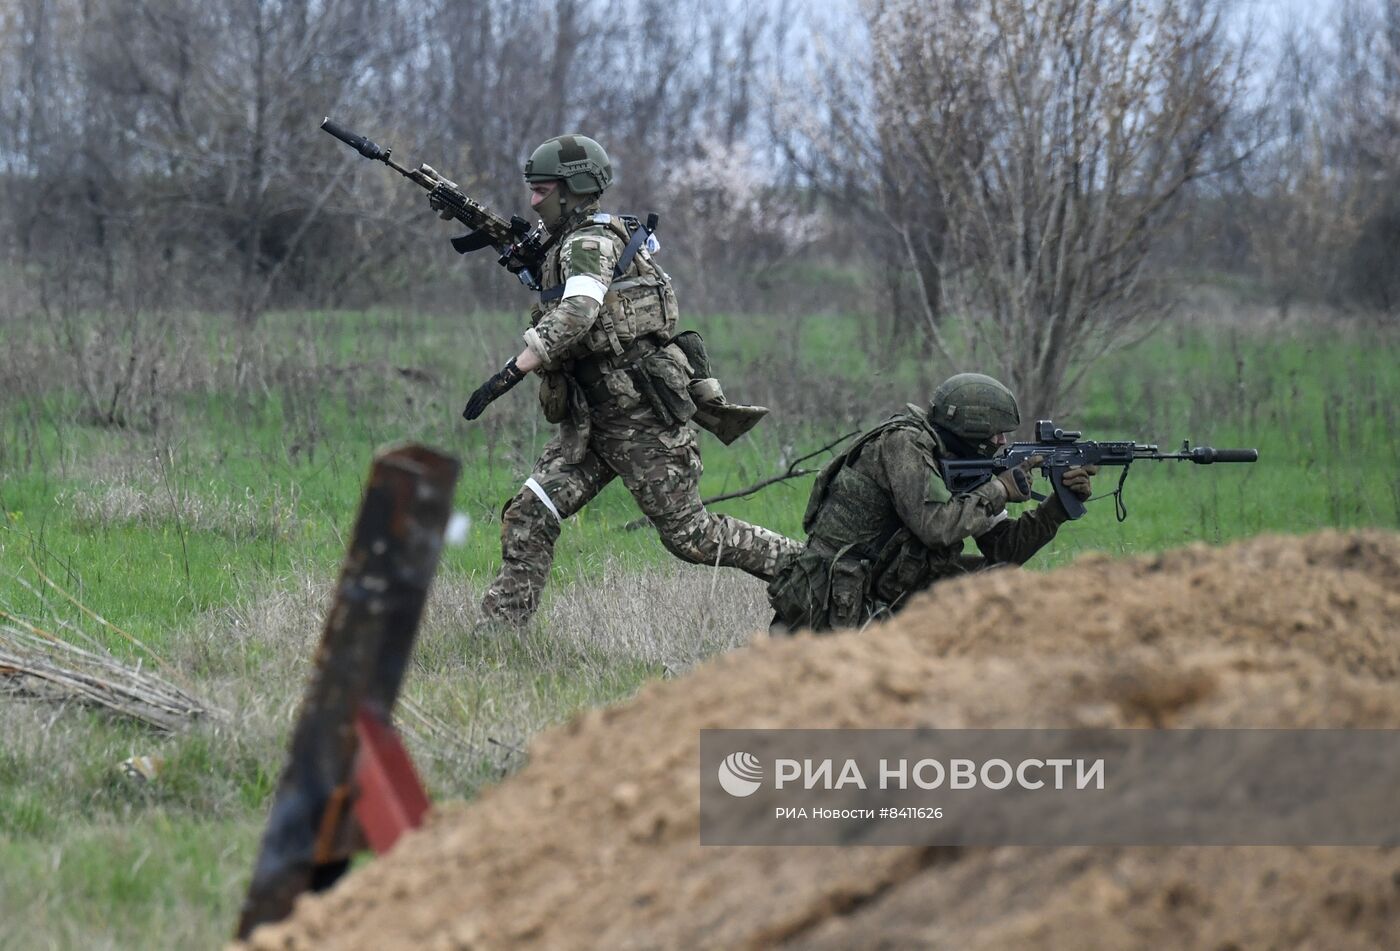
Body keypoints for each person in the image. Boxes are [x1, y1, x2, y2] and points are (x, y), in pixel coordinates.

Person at [456, 134, 800, 624]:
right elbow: (564, 291)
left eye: (542, 190)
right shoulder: (570, 242)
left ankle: (815, 568)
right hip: (591, 421)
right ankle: (498, 631)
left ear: (572, 189)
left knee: (691, 536)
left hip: (641, 417)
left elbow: (578, 309)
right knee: (530, 514)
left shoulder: (590, 242)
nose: (533, 201)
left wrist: (511, 371)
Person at [767, 372, 1097, 633]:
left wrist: (1057, 507)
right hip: (833, 606)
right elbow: (936, 528)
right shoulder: (903, 445)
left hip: (888, 586)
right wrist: (998, 489)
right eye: (996, 433)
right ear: (971, 427)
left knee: (1003, 583)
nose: (1002, 441)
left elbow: (1004, 550)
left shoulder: (960, 461)